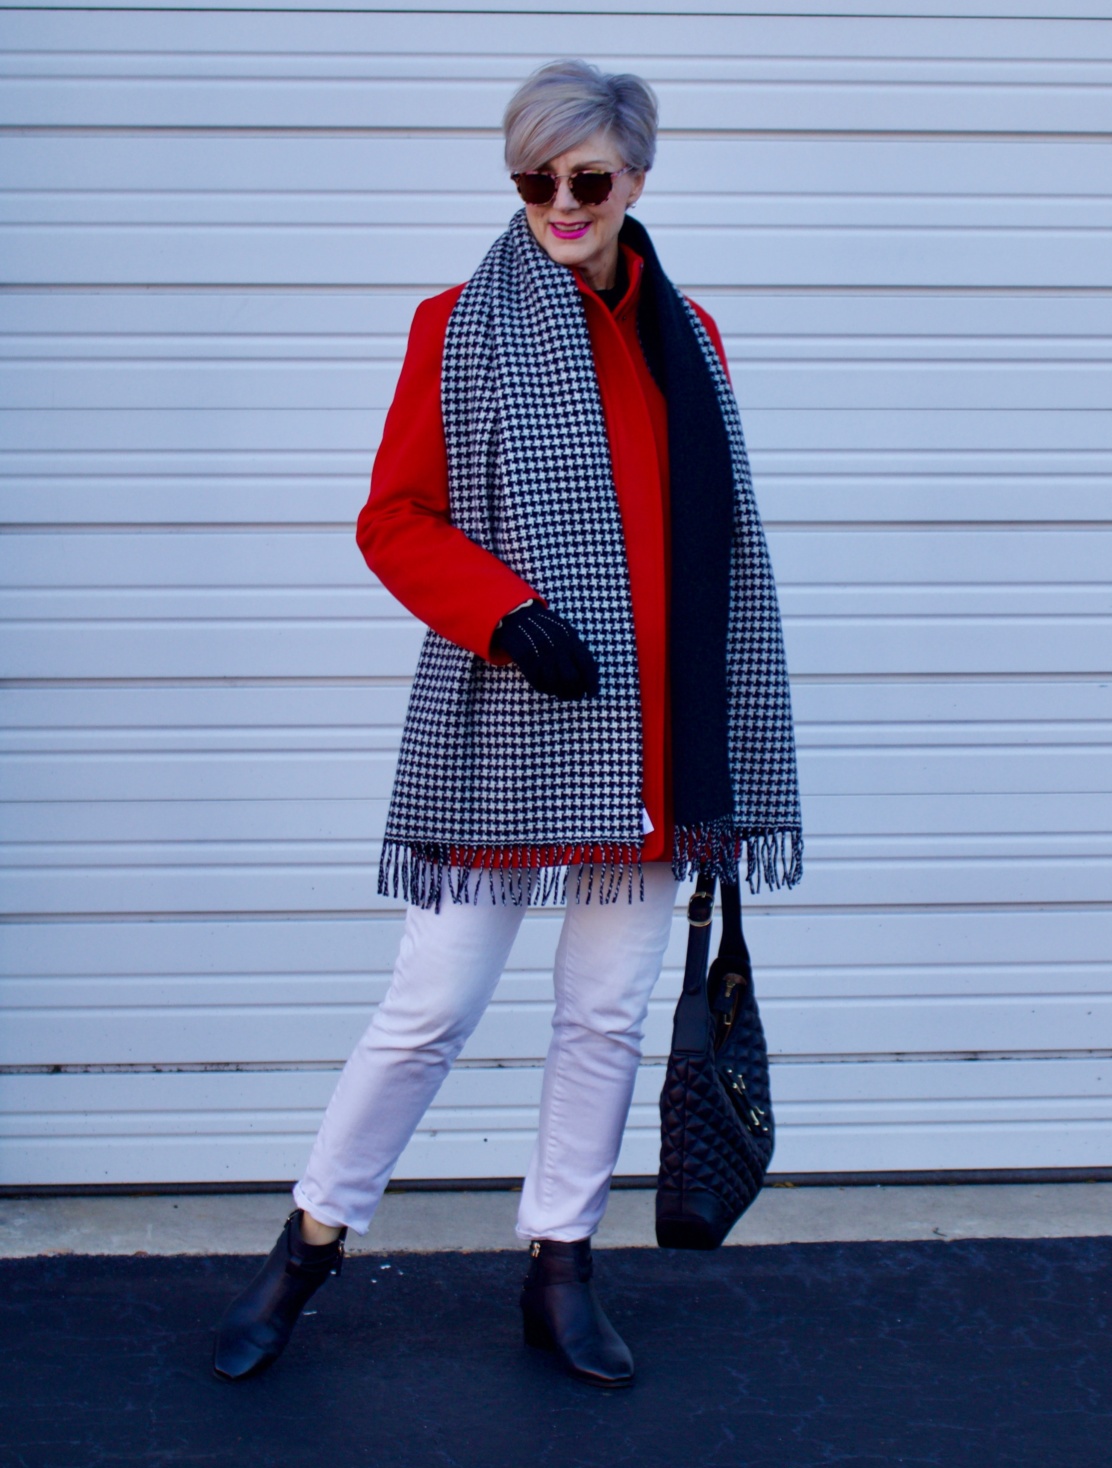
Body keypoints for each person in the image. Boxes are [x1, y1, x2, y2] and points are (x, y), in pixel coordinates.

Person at [211, 58, 802, 1389]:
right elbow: (393, 517)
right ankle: (301, 1253)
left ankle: (560, 1271)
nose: (558, 202)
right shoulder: (455, 325)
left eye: (585, 178)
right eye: (533, 179)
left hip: (656, 741)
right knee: (428, 1010)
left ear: (636, 179)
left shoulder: (693, 338)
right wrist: (504, 610)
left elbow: (713, 551)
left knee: (603, 1014)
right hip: (512, 727)